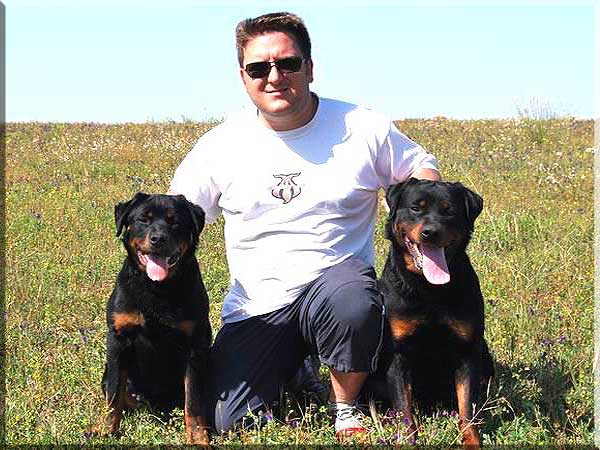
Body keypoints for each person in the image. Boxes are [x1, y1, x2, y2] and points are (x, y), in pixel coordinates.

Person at [169, 11, 441, 440]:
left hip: (336, 288)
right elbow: (178, 214)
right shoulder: (220, 145)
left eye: (288, 63)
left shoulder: (362, 127)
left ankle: (345, 407)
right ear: (243, 77)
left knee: (353, 300)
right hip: (258, 308)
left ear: (310, 67)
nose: (274, 77)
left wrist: (424, 220)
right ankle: (300, 369)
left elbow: (420, 168)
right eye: (259, 68)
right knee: (228, 420)